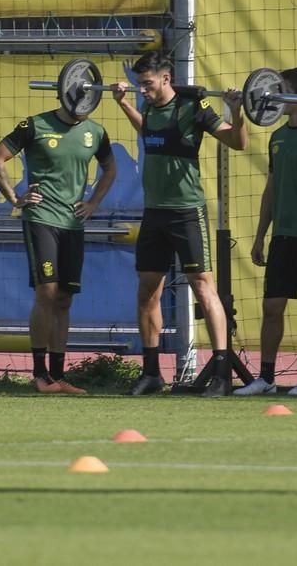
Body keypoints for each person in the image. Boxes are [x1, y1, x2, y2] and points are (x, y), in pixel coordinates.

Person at [112, 51, 247, 397]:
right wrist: (124, 104)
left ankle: (220, 374)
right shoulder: (148, 107)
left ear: (166, 78)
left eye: (147, 84)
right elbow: (150, 134)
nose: (143, 90)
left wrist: (238, 110)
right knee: (147, 292)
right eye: (140, 85)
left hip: (187, 211)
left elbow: (237, 141)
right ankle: (152, 373)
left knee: (204, 288)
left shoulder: (195, 108)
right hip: (154, 212)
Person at [0, 95, 116, 394]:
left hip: (73, 224)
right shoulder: (34, 125)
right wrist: (15, 199)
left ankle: (59, 376)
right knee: (48, 291)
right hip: (41, 219)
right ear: (63, 93)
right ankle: (40, 373)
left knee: (65, 298)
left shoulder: (95, 132)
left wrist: (94, 202)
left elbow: (110, 169)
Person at [234, 68, 297, 396]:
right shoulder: (277, 137)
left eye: (283, 90)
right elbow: (272, 188)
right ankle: (266, 378)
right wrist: (260, 235)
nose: (276, 95)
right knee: (272, 307)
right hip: (282, 236)